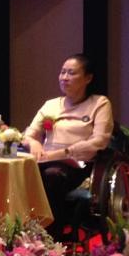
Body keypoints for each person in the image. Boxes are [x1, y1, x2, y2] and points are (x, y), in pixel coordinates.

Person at [22, 54, 114, 239]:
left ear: (88, 78)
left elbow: (99, 141)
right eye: (62, 72)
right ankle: (21, 231)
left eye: (71, 73)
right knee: (21, 172)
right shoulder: (51, 105)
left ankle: (50, 236)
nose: (64, 77)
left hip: (79, 167)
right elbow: (29, 135)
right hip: (45, 161)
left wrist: (64, 152)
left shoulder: (99, 103)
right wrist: (34, 143)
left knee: (53, 175)